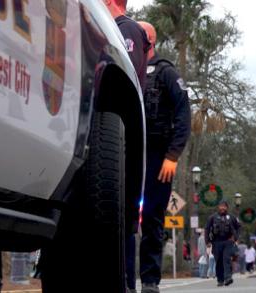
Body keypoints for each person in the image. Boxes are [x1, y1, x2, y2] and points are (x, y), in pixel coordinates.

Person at [134, 21, 192, 293]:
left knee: (154, 219)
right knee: (122, 217)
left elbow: (183, 114)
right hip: (129, 152)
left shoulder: (165, 72)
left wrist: (173, 155)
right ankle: (123, 277)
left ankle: (149, 280)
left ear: (149, 39)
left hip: (159, 157)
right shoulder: (126, 68)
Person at [103, 1, 150, 292]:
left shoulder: (126, 30)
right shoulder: (108, 28)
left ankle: (124, 284)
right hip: (109, 136)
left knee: (121, 216)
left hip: (122, 135)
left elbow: (124, 75)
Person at [205, 201, 241, 287]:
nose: (222, 208)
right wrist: (207, 241)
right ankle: (220, 279)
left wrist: (235, 238)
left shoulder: (232, 217)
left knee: (227, 259)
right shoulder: (212, 217)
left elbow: (238, 227)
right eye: (221, 206)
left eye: (224, 206)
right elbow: (207, 229)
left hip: (228, 241)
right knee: (219, 261)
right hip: (216, 242)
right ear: (218, 207)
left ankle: (228, 278)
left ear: (227, 208)